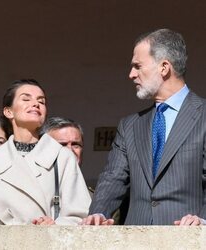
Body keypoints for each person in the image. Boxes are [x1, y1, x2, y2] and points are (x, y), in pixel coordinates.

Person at [82, 28, 206, 226]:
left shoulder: (203, 116)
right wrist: (98, 213)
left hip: (188, 238)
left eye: (138, 66)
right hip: (136, 239)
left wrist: (202, 219)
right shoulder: (129, 126)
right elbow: (113, 177)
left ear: (164, 67)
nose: (131, 74)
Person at [0, 79, 91, 225]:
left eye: (42, 101)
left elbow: (80, 215)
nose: (35, 104)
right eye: (26, 98)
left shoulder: (62, 157)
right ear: (8, 111)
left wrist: (55, 226)